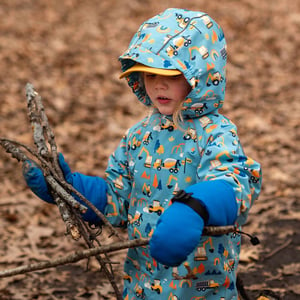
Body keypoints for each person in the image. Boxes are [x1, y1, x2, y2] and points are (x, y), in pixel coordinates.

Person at [23, 8, 262, 299]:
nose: (158, 84)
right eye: (149, 73)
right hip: (143, 284)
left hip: (201, 286)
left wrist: (195, 208)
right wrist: (71, 190)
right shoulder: (139, 136)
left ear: (199, 74)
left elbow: (235, 185)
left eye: (171, 74)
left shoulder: (216, 133)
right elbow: (117, 200)